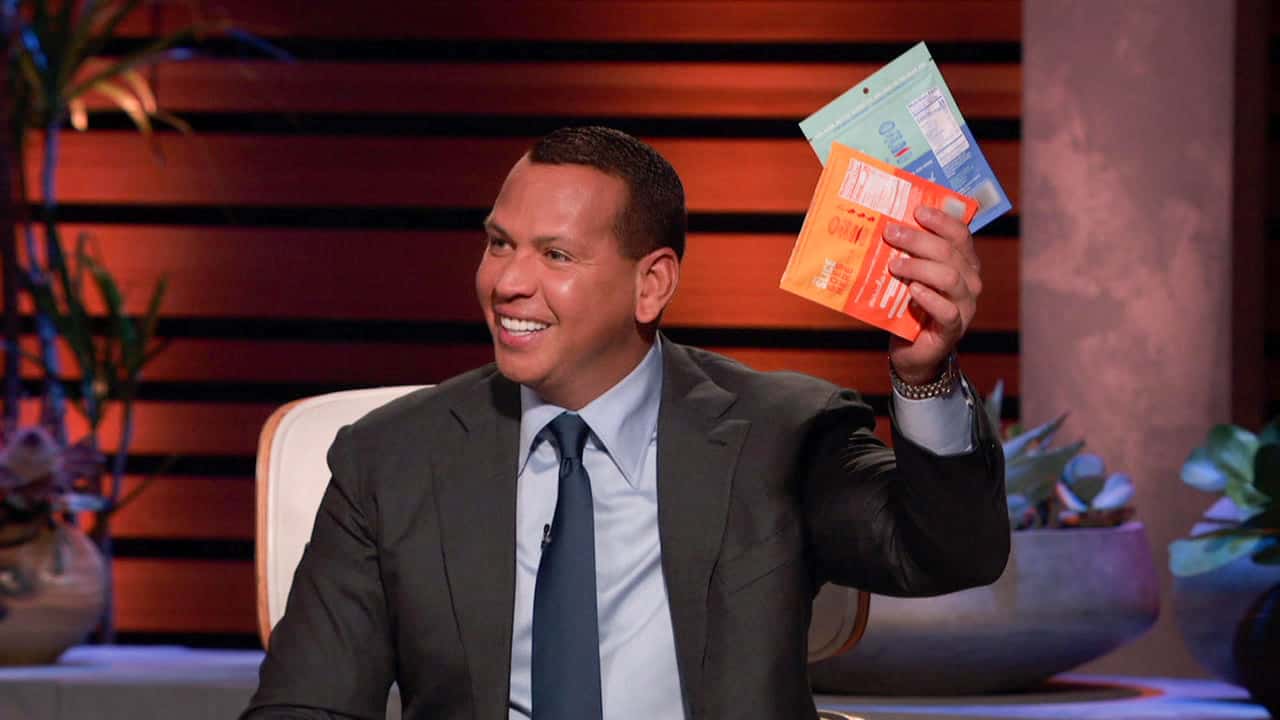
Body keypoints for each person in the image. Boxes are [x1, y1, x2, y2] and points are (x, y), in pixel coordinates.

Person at [243, 126, 1008, 720]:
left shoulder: (778, 435)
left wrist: (925, 376)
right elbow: (308, 704)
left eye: (556, 255)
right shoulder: (393, 458)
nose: (507, 283)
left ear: (652, 284)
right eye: (499, 243)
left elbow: (945, 554)